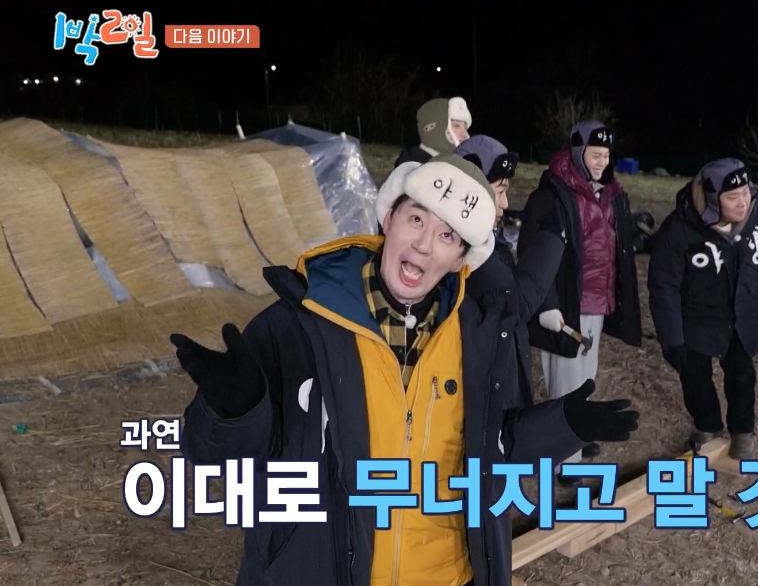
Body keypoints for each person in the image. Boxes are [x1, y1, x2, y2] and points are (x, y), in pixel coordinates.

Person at [170, 153, 640, 586]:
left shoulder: (478, 336)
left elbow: (493, 445)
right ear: (388, 218)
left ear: (461, 260)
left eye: (447, 235)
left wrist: (564, 425)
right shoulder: (298, 324)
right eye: (416, 219)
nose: (423, 244)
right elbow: (214, 459)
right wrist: (235, 410)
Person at [517, 120, 643, 486]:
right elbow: (533, 252)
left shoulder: (611, 194)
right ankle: (562, 458)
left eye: (606, 155)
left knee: (586, 376)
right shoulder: (552, 196)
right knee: (565, 379)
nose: (602, 162)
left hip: (596, 303)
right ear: (577, 153)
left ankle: (577, 435)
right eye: (595, 154)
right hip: (566, 307)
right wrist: (547, 304)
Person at [647, 158, 758, 459]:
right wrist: (671, 339)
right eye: (732, 196)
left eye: (746, 192)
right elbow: (663, 286)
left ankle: (742, 432)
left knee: (742, 376)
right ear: (713, 198)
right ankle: (707, 426)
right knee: (694, 376)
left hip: (743, 316)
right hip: (696, 319)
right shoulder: (680, 227)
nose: (743, 202)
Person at [456, 134, 565, 411]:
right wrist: (552, 240)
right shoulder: (468, 255)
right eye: (499, 190)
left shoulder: (490, 244)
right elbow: (515, 304)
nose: (505, 203)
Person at [394, 97, 472, 167]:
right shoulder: (411, 169)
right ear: (431, 128)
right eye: (456, 126)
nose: (465, 134)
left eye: (465, 128)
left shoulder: (462, 165)